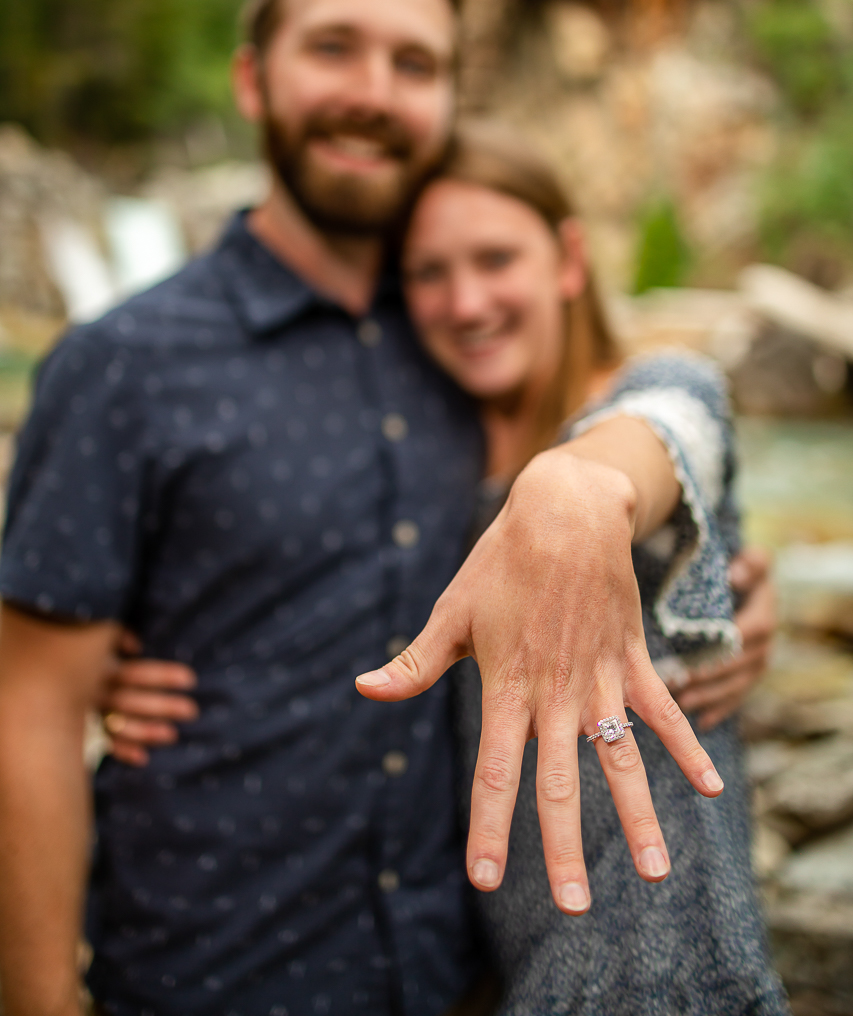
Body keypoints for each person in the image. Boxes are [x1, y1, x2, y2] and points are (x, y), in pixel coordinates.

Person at [0, 0, 757, 1016]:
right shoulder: (119, 365)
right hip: (205, 973)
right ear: (253, 79)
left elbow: (638, 434)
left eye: (416, 64)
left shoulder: (467, 342)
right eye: (334, 48)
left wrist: (719, 588)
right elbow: (28, 711)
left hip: (454, 975)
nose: (373, 89)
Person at [108, 121, 785, 1014]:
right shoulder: (432, 452)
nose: (466, 303)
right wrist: (117, 663)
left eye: (496, 258)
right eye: (430, 272)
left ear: (568, 259)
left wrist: (576, 495)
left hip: (671, 982)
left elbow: (669, 434)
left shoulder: (658, 388)